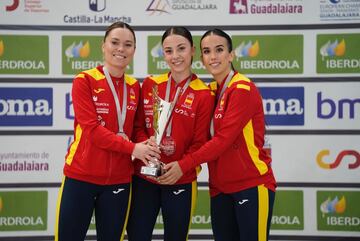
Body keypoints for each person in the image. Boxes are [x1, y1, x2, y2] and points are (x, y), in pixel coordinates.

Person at [159, 28, 276, 241]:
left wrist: (183, 165)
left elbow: (222, 141)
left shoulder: (243, 88)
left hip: (251, 185)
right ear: (201, 58)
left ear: (231, 55)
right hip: (219, 189)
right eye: (207, 51)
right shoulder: (209, 91)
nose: (213, 57)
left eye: (219, 50)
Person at [54, 21, 160, 241]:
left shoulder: (134, 87)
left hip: (119, 180)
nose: (121, 49)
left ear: (134, 51)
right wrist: (134, 148)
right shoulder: (84, 80)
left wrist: (147, 145)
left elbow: (137, 128)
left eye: (128, 44)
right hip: (81, 176)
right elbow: (92, 130)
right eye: (115, 42)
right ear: (103, 46)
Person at [126, 27, 215, 241]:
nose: (175, 56)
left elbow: (200, 142)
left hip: (180, 178)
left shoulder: (204, 93)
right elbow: (137, 127)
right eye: (168, 51)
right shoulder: (150, 84)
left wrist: (181, 167)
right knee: (137, 235)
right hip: (144, 175)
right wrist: (144, 146)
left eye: (181, 49)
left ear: (193, 50)